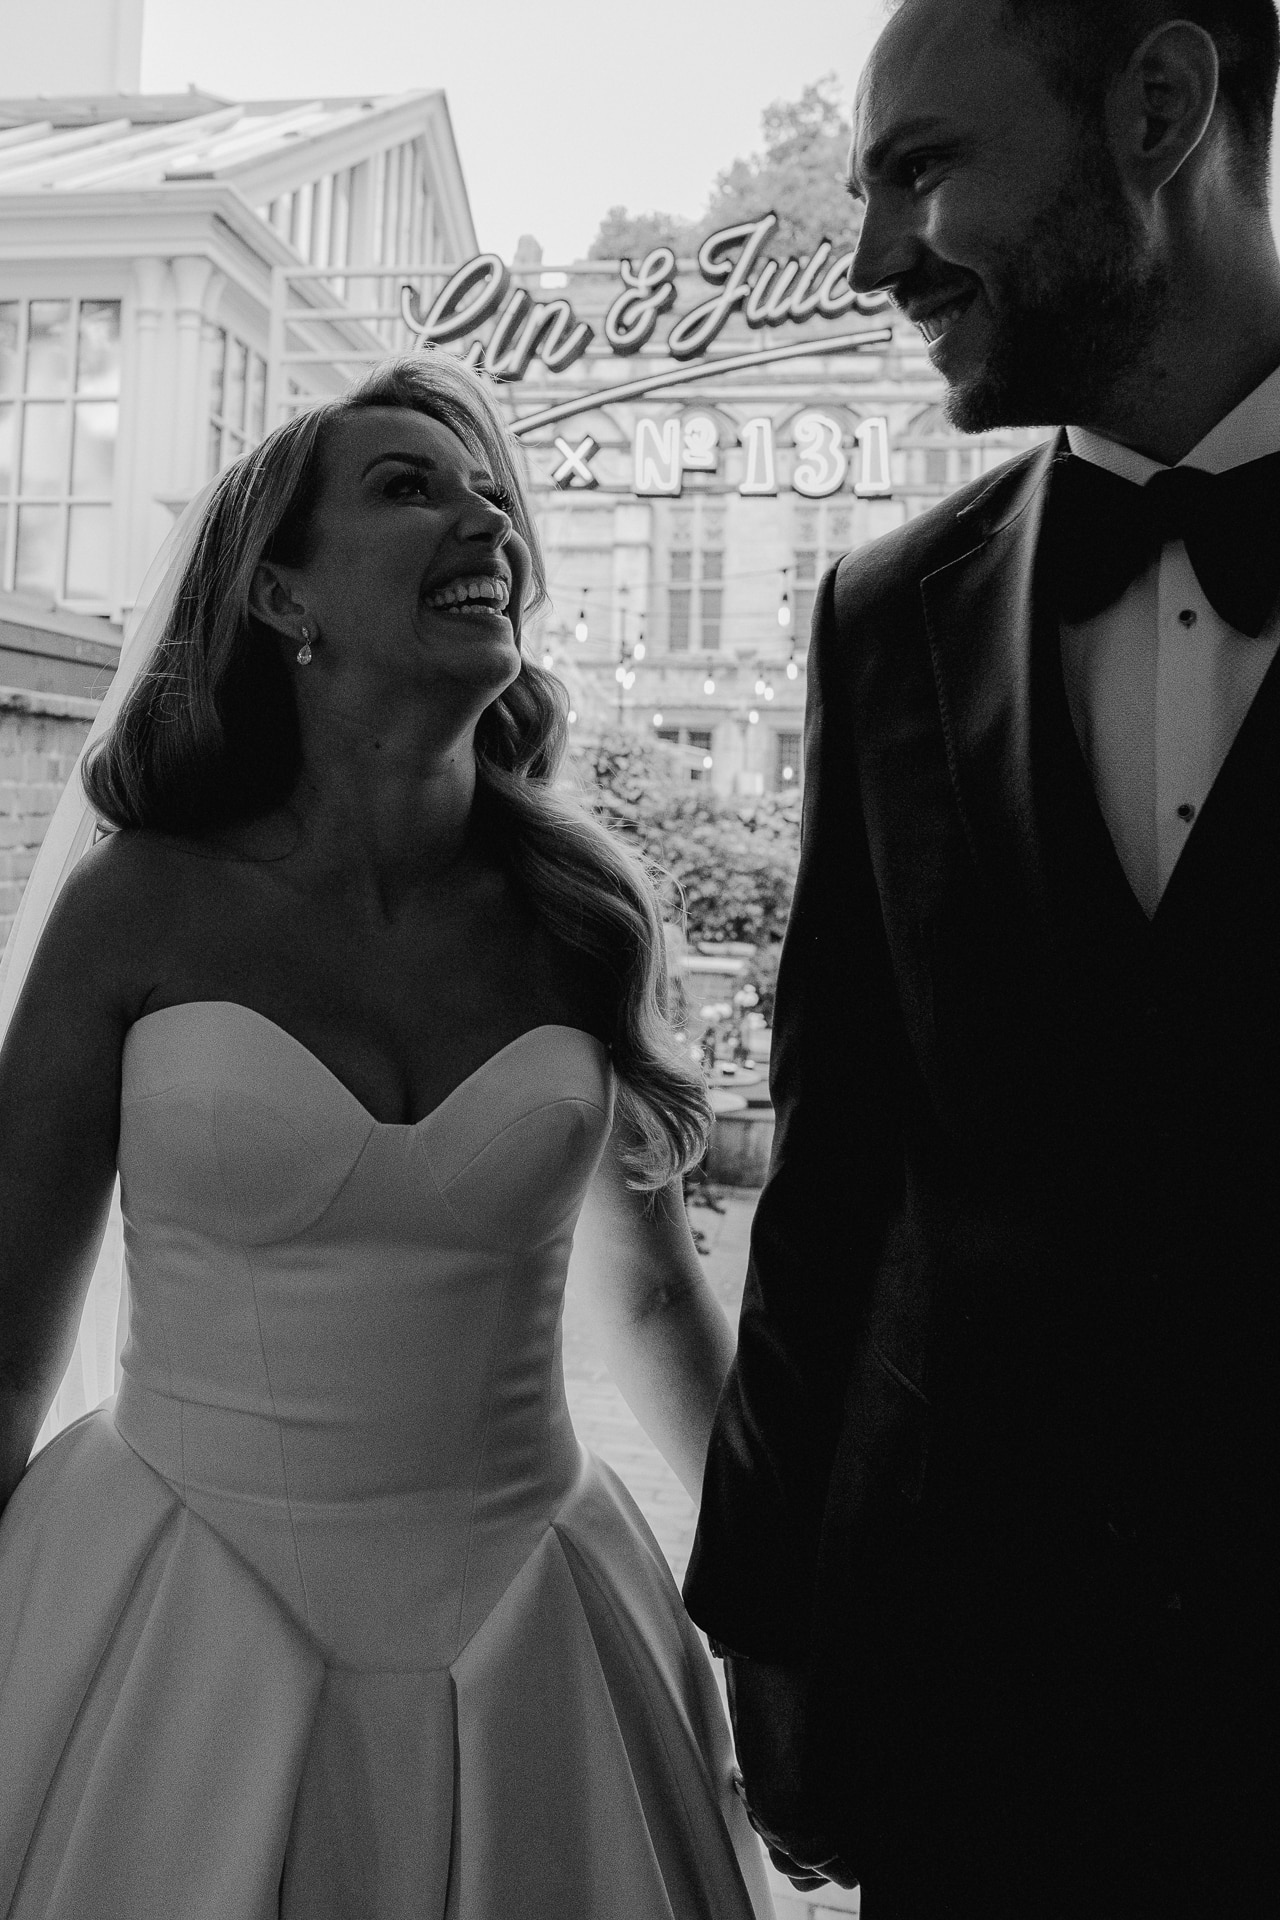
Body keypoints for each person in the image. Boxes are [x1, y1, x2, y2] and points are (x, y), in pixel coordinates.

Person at [0, 353, 774, 1920]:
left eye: (490, 488)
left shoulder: (577, 920)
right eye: (410, 487)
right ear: (282, 594)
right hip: (173, 1611)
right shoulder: (139, 905)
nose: (483, 514)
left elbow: (645, 1299)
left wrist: (779, 1616)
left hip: (537, 1618)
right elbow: (8, 1328)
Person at [683, 2, 1280, 1915]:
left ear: (1161, 108)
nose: (868, 258)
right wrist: (767, 1622)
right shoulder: (886, 615)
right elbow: (841, 1162)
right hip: (978, 1705)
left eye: (922, 169)